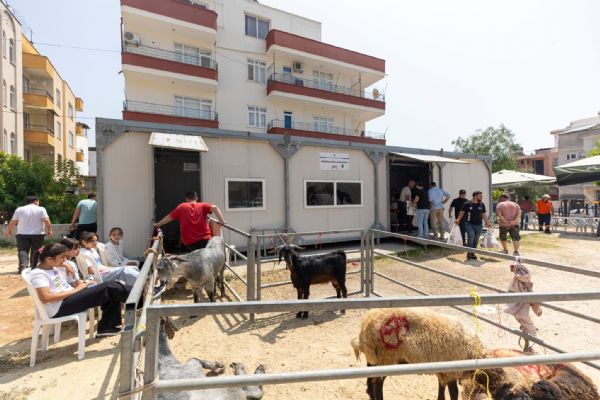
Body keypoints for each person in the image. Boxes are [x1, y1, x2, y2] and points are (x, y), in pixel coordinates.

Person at [29, 243, 131, 337]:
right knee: (109, 287)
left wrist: (66, 265)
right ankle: (136, 297)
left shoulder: (51, 266)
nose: (65, 260)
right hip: (59, 307)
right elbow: (45, 298)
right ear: (49, 259)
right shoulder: (38, 274)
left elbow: (61, 267)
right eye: (62, 257)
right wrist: (76, 290)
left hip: (68, 298)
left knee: (111, 290)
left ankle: (107, 327)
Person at [153, 191, 226, 251]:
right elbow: (215, 208)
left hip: (191, 243)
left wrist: (158, 224)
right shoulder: (203, 205)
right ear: (196, 198)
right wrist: (222, 221)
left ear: (186, 198)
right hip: (206, 240)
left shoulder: (182, 207)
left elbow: (169, 217)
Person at [4, 195, 52, 273]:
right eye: (38, 201)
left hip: (22, 234)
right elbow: (46, 220)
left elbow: (13, 221)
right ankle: (34, 267)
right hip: (38, 234)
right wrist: (49, 230)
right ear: (35, 201)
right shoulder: (41, 209)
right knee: (36, 250)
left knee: (23, 250)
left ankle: (23, 268)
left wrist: (9, 230)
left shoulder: (19, 209)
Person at [504, 259, 542, 353]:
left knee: (525, 325)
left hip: (514, 308)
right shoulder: (527, 284)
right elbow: (533, 300)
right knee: (530, 328)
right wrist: (538, 310)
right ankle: (530, 347)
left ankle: (528, 345)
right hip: (522, 310)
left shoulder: (514, 282)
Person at [455, 191, 492, 261]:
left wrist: (487, 222)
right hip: (469, 224)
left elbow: (483, 214)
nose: (481, 197)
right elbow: (462, 212)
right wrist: (458, 219)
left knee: (476, 240)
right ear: (475, 196)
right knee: (471, 236)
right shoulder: (467, 204)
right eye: (480, 196)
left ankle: (473, 253)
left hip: (479, 225)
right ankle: (469, 254)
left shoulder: (482, 204)